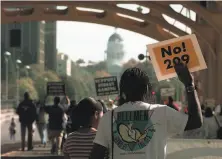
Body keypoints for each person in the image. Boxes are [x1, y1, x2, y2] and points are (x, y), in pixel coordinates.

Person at [90, 63, 203, 159]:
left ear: (122, 91)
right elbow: (196, 121)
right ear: (147, 89)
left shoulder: (108, 118)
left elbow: (96, 156)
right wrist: (189, 84)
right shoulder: (162, 113)